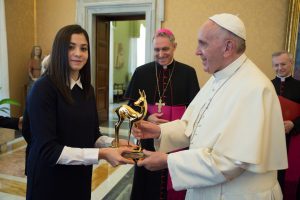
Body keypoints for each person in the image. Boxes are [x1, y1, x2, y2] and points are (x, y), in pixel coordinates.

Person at [132, 13, 288, 199]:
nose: (197, 51)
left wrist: (168, 160)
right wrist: (160, 131)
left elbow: (231, 161)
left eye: (203, 43)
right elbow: (194, 125)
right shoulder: (219, 77)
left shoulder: (253, 88)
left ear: (228, 47)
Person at [22, 24, 134, 200]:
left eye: (84, 48)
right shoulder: (43, 89)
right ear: (59, 50)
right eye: (71, 47)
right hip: (49, 181)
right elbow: (47, 150)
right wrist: (101, 154)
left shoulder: (87, 90)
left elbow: (92, 135)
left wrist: (115, 143)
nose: (78, 53)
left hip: (79, 176)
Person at [124, 28, 199, 200]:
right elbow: (131, 106)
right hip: (148, 139)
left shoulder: (188, 73)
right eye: (156, 49)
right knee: (147, 182)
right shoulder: (141, 72)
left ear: (174, 47)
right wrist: (147, 117)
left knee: (176, 182)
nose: (160, 54)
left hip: (178, 142)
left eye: (165, 49)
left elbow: (195, 110)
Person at [271, 51, 300, 199]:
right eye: (276, 65)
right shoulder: (267, 86)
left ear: (290, 63)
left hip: (293, 139)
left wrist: (294, 124)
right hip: (271, 140)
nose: (279, 68)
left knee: (288, 174)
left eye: (283, 64)